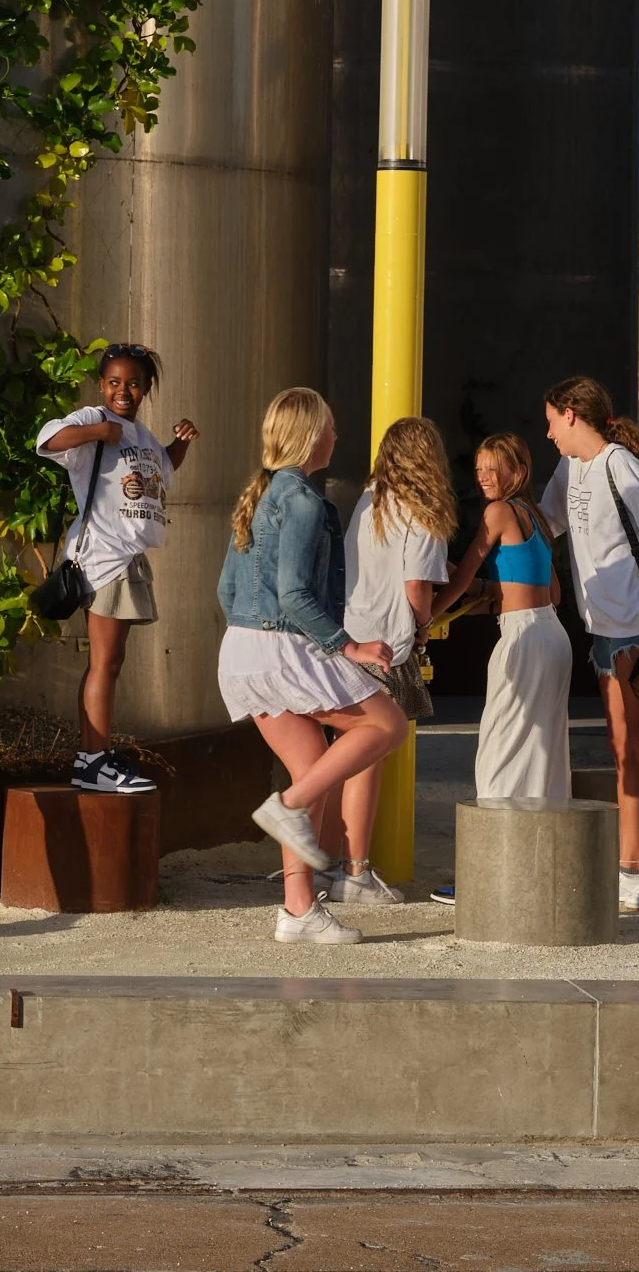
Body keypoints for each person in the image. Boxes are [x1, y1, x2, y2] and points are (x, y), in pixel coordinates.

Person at [215, 387, 405, 944]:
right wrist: (350, 647)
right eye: (329, 428)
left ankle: (297, 912)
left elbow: (227, 590)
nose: (336, 437)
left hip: (243, 648)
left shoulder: (261, 493)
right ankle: (288, 807)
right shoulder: (299, 500)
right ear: (308, 436)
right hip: (281, 645)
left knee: (313, 766)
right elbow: (295, 594)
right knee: (386, 723)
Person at [539, 376, 639, 912]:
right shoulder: (572, 468)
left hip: (635, 625)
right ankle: (631, 868)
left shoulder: (619, 465)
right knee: (623, 746)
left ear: (570, 414)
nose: (547, 434)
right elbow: (550, 521)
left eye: (549, 422)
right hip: (605, 628)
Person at [36, 343, 198, 793]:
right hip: (103, 557)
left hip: (129, 557)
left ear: (146, 388)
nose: (122, 390)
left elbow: (161, 471)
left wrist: (177, 445)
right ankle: (92, 763)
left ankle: (96, 757)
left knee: (111, 663)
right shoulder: (92, 418)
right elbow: (46, 441)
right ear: (101, 385)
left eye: (132, 383)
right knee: (104, 664)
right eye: (113, 382)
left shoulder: (142, 434)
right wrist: (97, 432)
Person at [422, 433, 574, 908]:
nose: (485, 476)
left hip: (523, 640)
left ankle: (486, 875)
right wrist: (489, 591)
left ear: (517, 470)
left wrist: (425, 616)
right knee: (546, 756)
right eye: (480, 468)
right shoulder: (537, 518)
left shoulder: (498, 512)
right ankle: (541, 870)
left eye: (494, 468)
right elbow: (550, 595)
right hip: (553, 637)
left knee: (499, 754)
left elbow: (465, 574)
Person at [321, 415, 456, 905]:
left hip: (350, 637)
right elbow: (418, 585)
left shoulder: (370, 499)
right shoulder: (423, 509)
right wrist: (423, 627)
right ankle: (355, 873)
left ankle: (329, 864)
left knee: (343, 755)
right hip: (386, 647)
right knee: (366, 761)